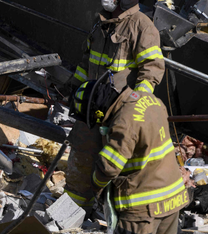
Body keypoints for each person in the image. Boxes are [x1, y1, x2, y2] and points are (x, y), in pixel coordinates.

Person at [65, 0, 165, 211]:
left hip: (120, 116)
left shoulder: (142, 26)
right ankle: (71, 213)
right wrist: (73, 89)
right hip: (91, 111)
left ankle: (110, 215)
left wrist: (136, 109)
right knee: (81, 159)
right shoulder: (101, 23)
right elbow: (87, 62)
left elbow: (151, 70)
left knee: (115, 167)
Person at [72, 79, 187, 234]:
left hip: (143, 208)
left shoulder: (123, 122)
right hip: (172, 198)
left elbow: (109, 167)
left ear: (98, 111)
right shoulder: (150, 99)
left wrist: (96, 186)